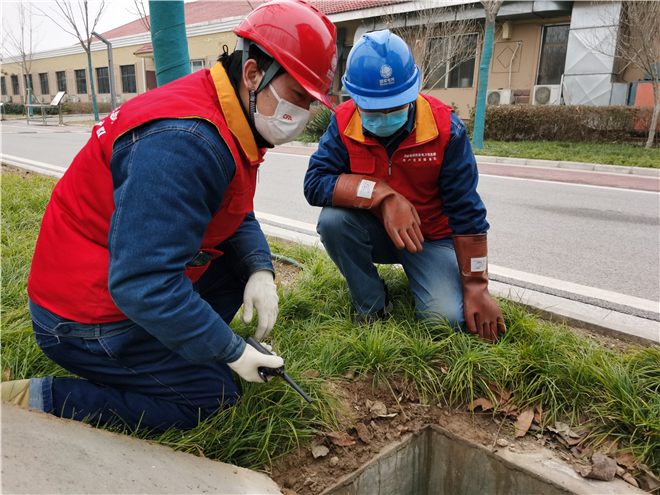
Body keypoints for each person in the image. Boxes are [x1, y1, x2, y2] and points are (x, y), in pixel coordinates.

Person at [1, 0, 337, 431]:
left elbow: (230, 208)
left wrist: (259, 270)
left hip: (115, 272)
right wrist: (231, 350)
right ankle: (37, 399)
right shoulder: (185, 142)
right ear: (253, 73)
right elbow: (142, 284)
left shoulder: (227, 110)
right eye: (297, 97)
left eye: (310, 102)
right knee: (212, 397)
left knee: (235, 271)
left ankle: (172, 345)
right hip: (83, 315)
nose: (303, 115)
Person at [303, 30, 505, 343]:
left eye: (394, 106)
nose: (384, 116)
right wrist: (382, 196)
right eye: (373, 108)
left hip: (431, 239)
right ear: (353, 99)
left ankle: (431, 278)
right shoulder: (343, 123)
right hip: (377, 231)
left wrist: (477, 285)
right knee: (332, 221)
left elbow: (467, 212)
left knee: (444, 321)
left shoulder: (445, 129)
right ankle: (371, 304)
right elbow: (315, 183)